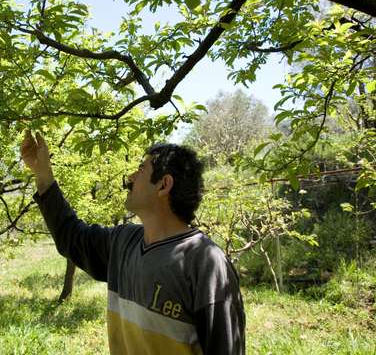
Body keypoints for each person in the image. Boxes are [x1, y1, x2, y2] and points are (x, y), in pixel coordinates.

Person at [20, 130, 245, 355]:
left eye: (141, 170)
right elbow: (72, 237)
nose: (130, 177)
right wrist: (43, 174)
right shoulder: (122, 242)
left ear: (164, 185)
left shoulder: (206, 262)